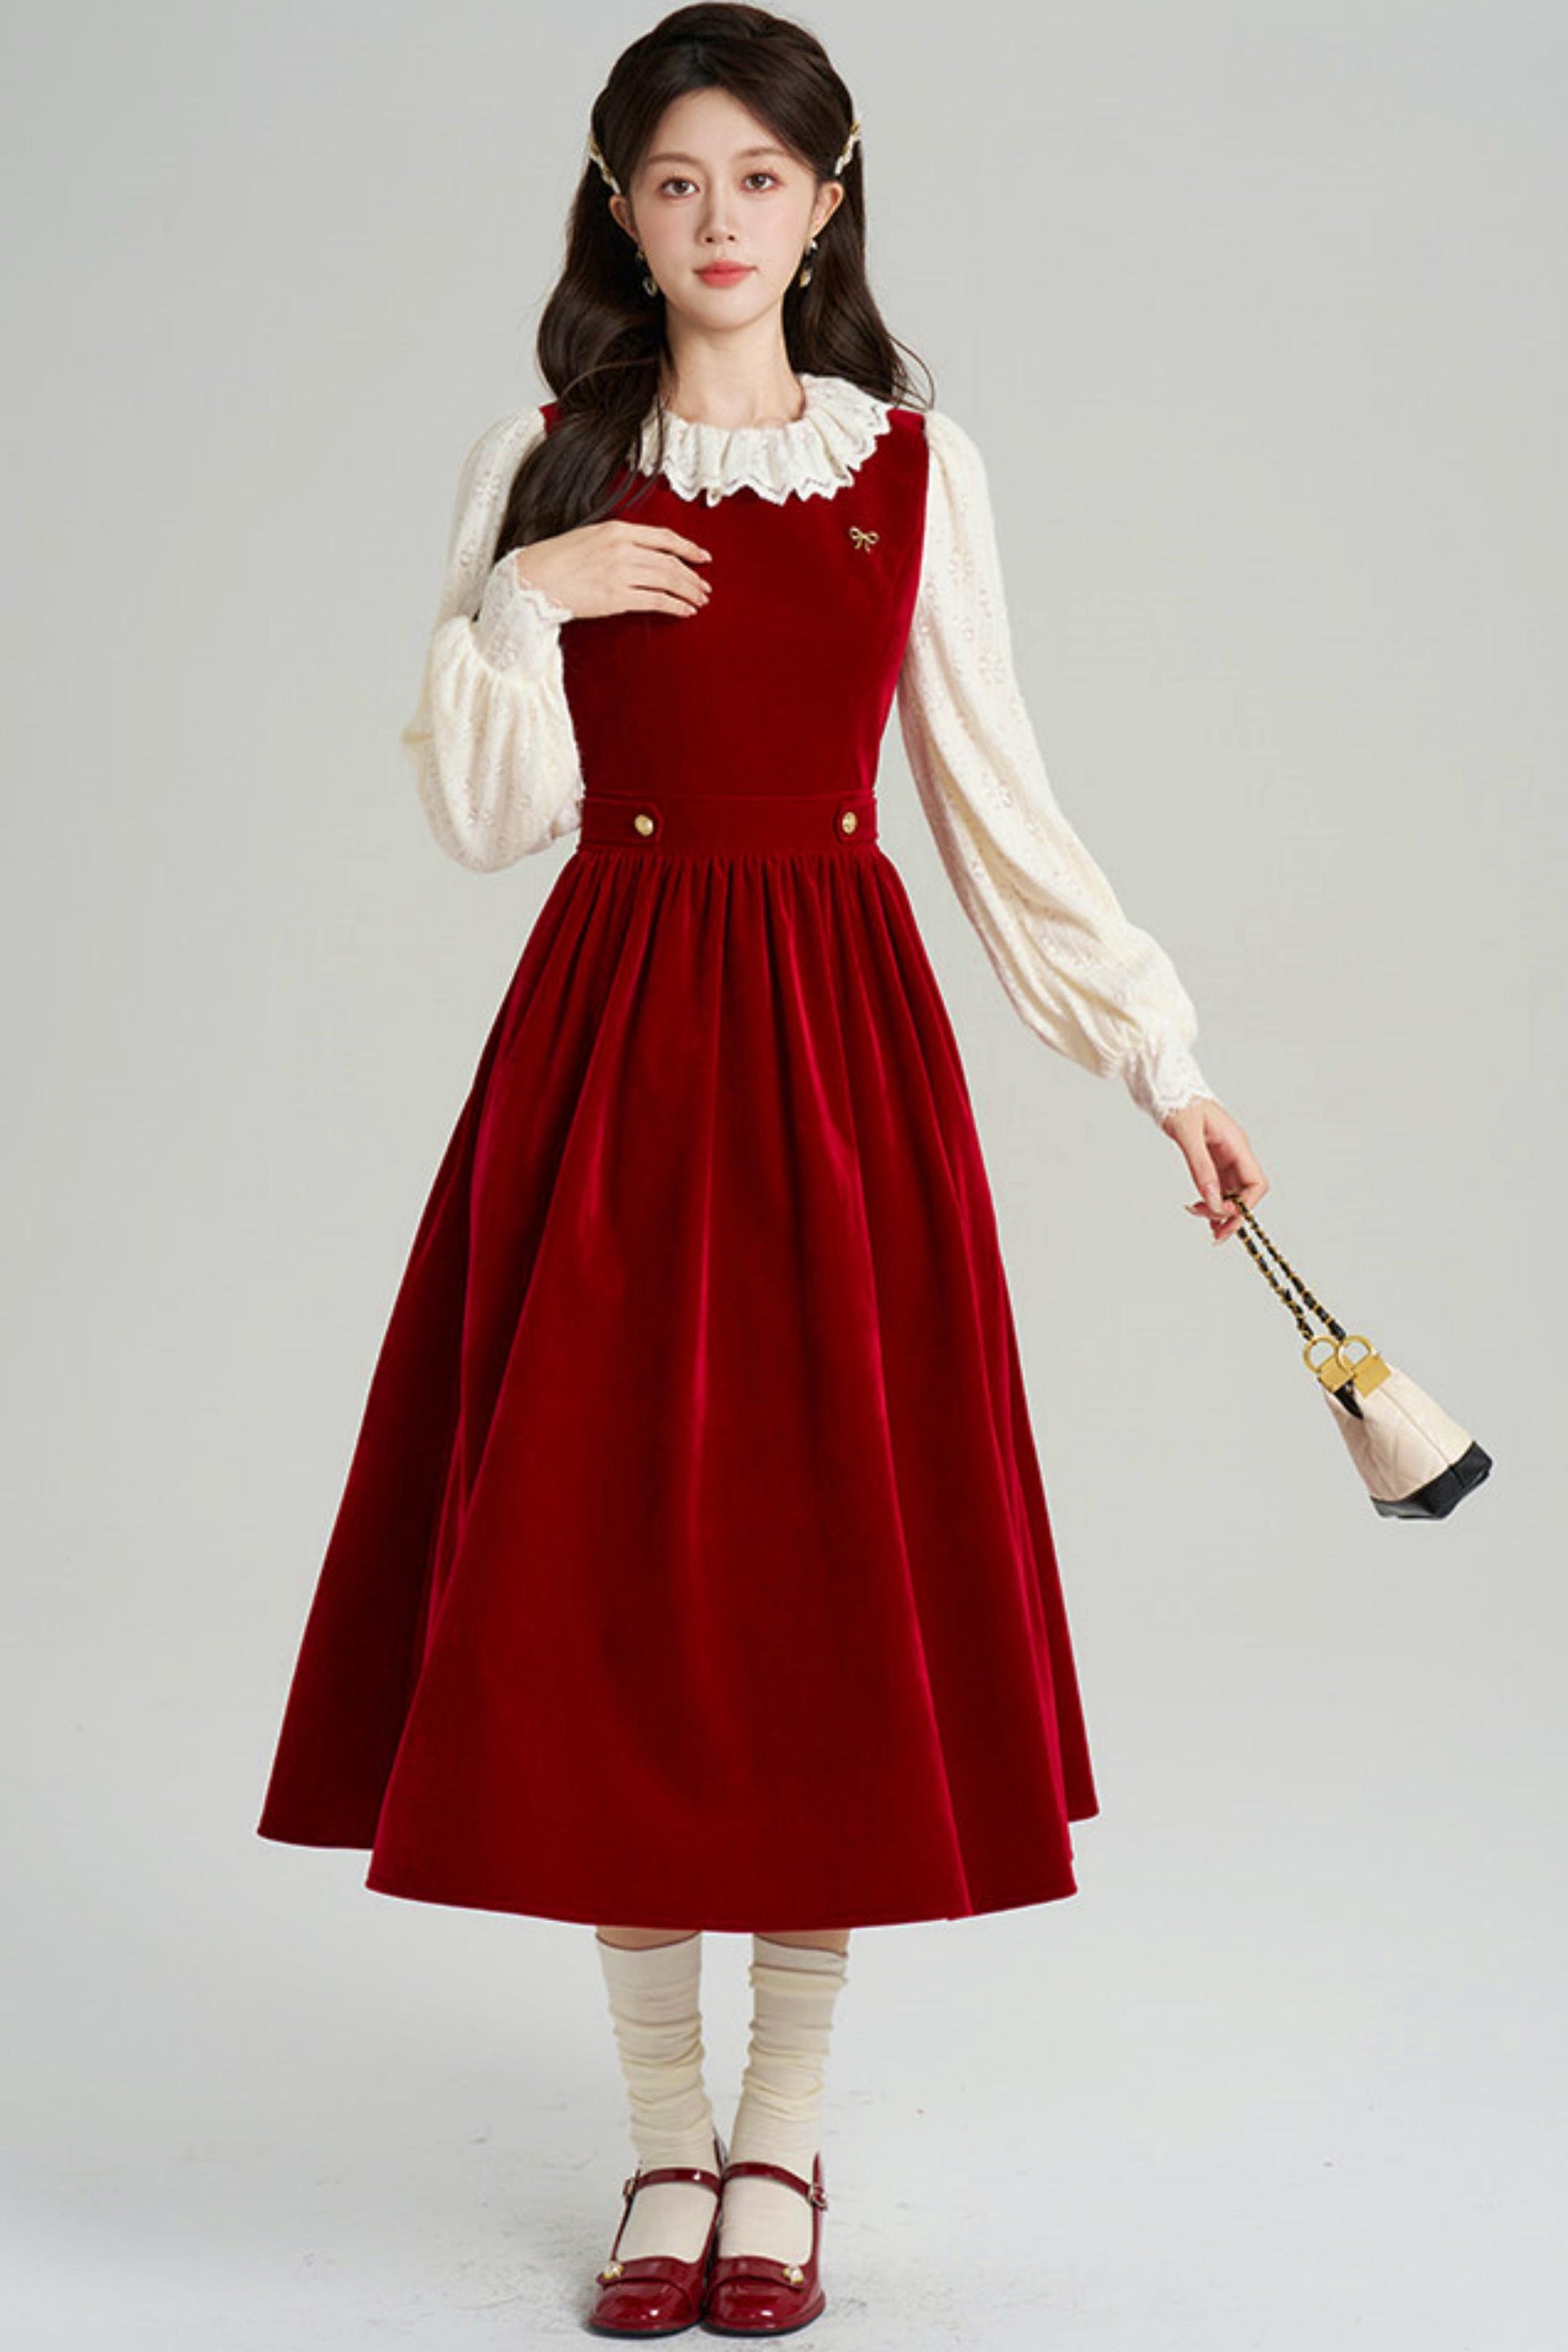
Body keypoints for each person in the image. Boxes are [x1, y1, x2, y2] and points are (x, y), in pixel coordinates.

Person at [256, 3, 1268, 2336]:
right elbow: (484, 818)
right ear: (618, 206)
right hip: (610, 1046)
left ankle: (782, 2135)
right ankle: (657, 2144)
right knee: (611, 1570)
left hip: (836, 1052)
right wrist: (528, 598)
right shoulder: (544, 459)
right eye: (674, 179)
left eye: (760, 178)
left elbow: (993, 796)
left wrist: (1161, 1061)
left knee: (823, 1571)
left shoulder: (915, 466)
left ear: (828, 201)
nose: (718, 219)